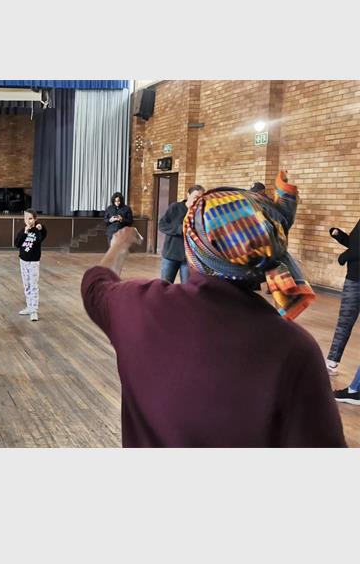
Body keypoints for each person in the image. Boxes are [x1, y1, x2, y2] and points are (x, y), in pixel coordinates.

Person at [80, 171, 345, 447]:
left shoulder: (141, 306)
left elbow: (95, 285)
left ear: (193, 251)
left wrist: (119, 245)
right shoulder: (296, 349)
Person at [326, 217, 360, 404]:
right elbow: (355, 244)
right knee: (343, 323)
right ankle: (332, 362)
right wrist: (340, 236)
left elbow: (356, 250)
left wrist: (344, 256)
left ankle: (356, 389)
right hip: (353, 279)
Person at [158, 184, 205, 283]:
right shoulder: (175, 207)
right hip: (170, 254)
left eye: (200, 198)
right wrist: (180, 229)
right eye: (195, 197)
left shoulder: (201, 213)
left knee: (187, 286)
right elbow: (162, 225)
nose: (197, 200)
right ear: (188, 195)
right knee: (165, 285)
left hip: (189, 257)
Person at [15, 208, 47, 321]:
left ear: (35, 219)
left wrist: (39, 228)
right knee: (27, 285)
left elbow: (41, 237)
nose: (28, 221)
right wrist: (25, 232)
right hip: (23, 261)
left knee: (33, 285)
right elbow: (17, 244)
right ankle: (29, 307)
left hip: (33, 262)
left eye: (30, 219)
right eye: (26, 218)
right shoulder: (22, 231)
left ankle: (34, 310)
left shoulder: (37, 231)